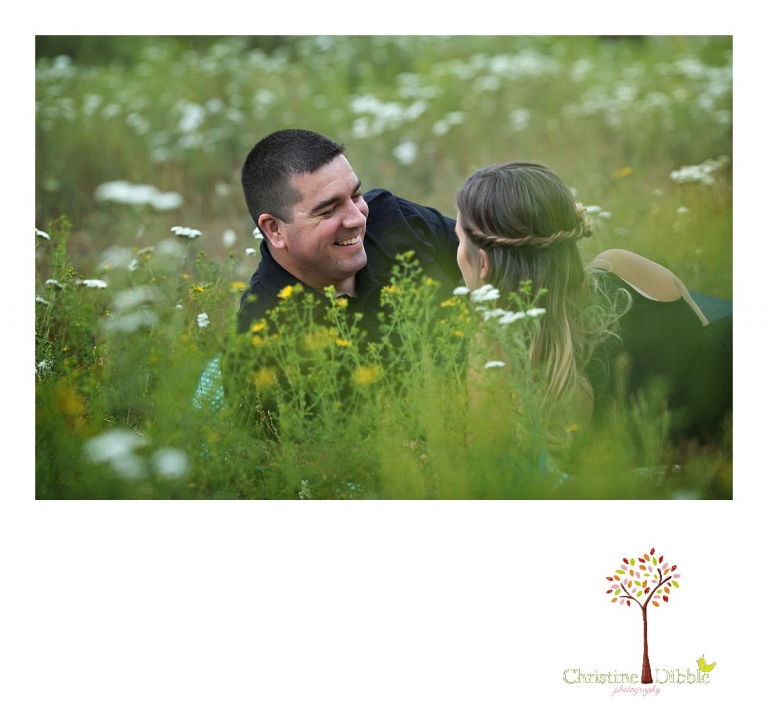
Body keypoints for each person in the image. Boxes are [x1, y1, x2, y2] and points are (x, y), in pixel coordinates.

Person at [454, 160, 732, 444]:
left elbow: (483, 467)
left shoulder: (517, 367)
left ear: (484, 263)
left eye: (460, 240)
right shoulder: (624, 268)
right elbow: (706, 333)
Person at [221, 129, 463, 423]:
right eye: (328, 210)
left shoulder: (394, 220)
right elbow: (280, 460)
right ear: (274, 229)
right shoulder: (262, 341)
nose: (358, 218)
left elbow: (497, 263)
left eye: (355, 195)